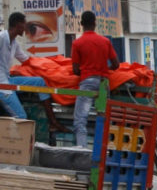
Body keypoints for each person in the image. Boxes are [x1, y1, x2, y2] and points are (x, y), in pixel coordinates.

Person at [0, 12, 68, 132]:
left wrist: (49, 66)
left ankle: (53, 122)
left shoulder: (14, 43)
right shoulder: (1, 38)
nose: (26, 28)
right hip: (2, 86)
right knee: (21, 117)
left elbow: (27, 60)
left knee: (40, 82)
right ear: (17, 25)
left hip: (8, 80)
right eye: (24, 25)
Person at [71, 10, 119, 147]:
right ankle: (103, 152)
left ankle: (83, 151)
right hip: (104, 84)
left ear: (81, 24)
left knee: (80, 120)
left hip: (87, 83)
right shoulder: (105, 41)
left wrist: (87, 69)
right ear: (95, 24)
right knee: (103, 119)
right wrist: (103, 69)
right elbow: (116, 65)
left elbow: (75, 70)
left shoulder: (77, 44)